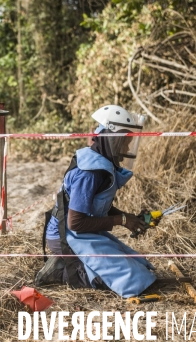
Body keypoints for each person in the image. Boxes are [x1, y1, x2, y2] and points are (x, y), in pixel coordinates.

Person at [34, 104, 156, 298]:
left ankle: (75, 263)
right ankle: (61, 271)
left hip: (83, 232)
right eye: (124, 142)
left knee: (139, 266)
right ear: (111, 138)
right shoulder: (89, 173)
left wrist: (128, 218)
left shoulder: (101, 161)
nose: (126, 148)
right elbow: (75, 222)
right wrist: (122, 221)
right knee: (129, 278)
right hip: (66, 235)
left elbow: (96, 206)